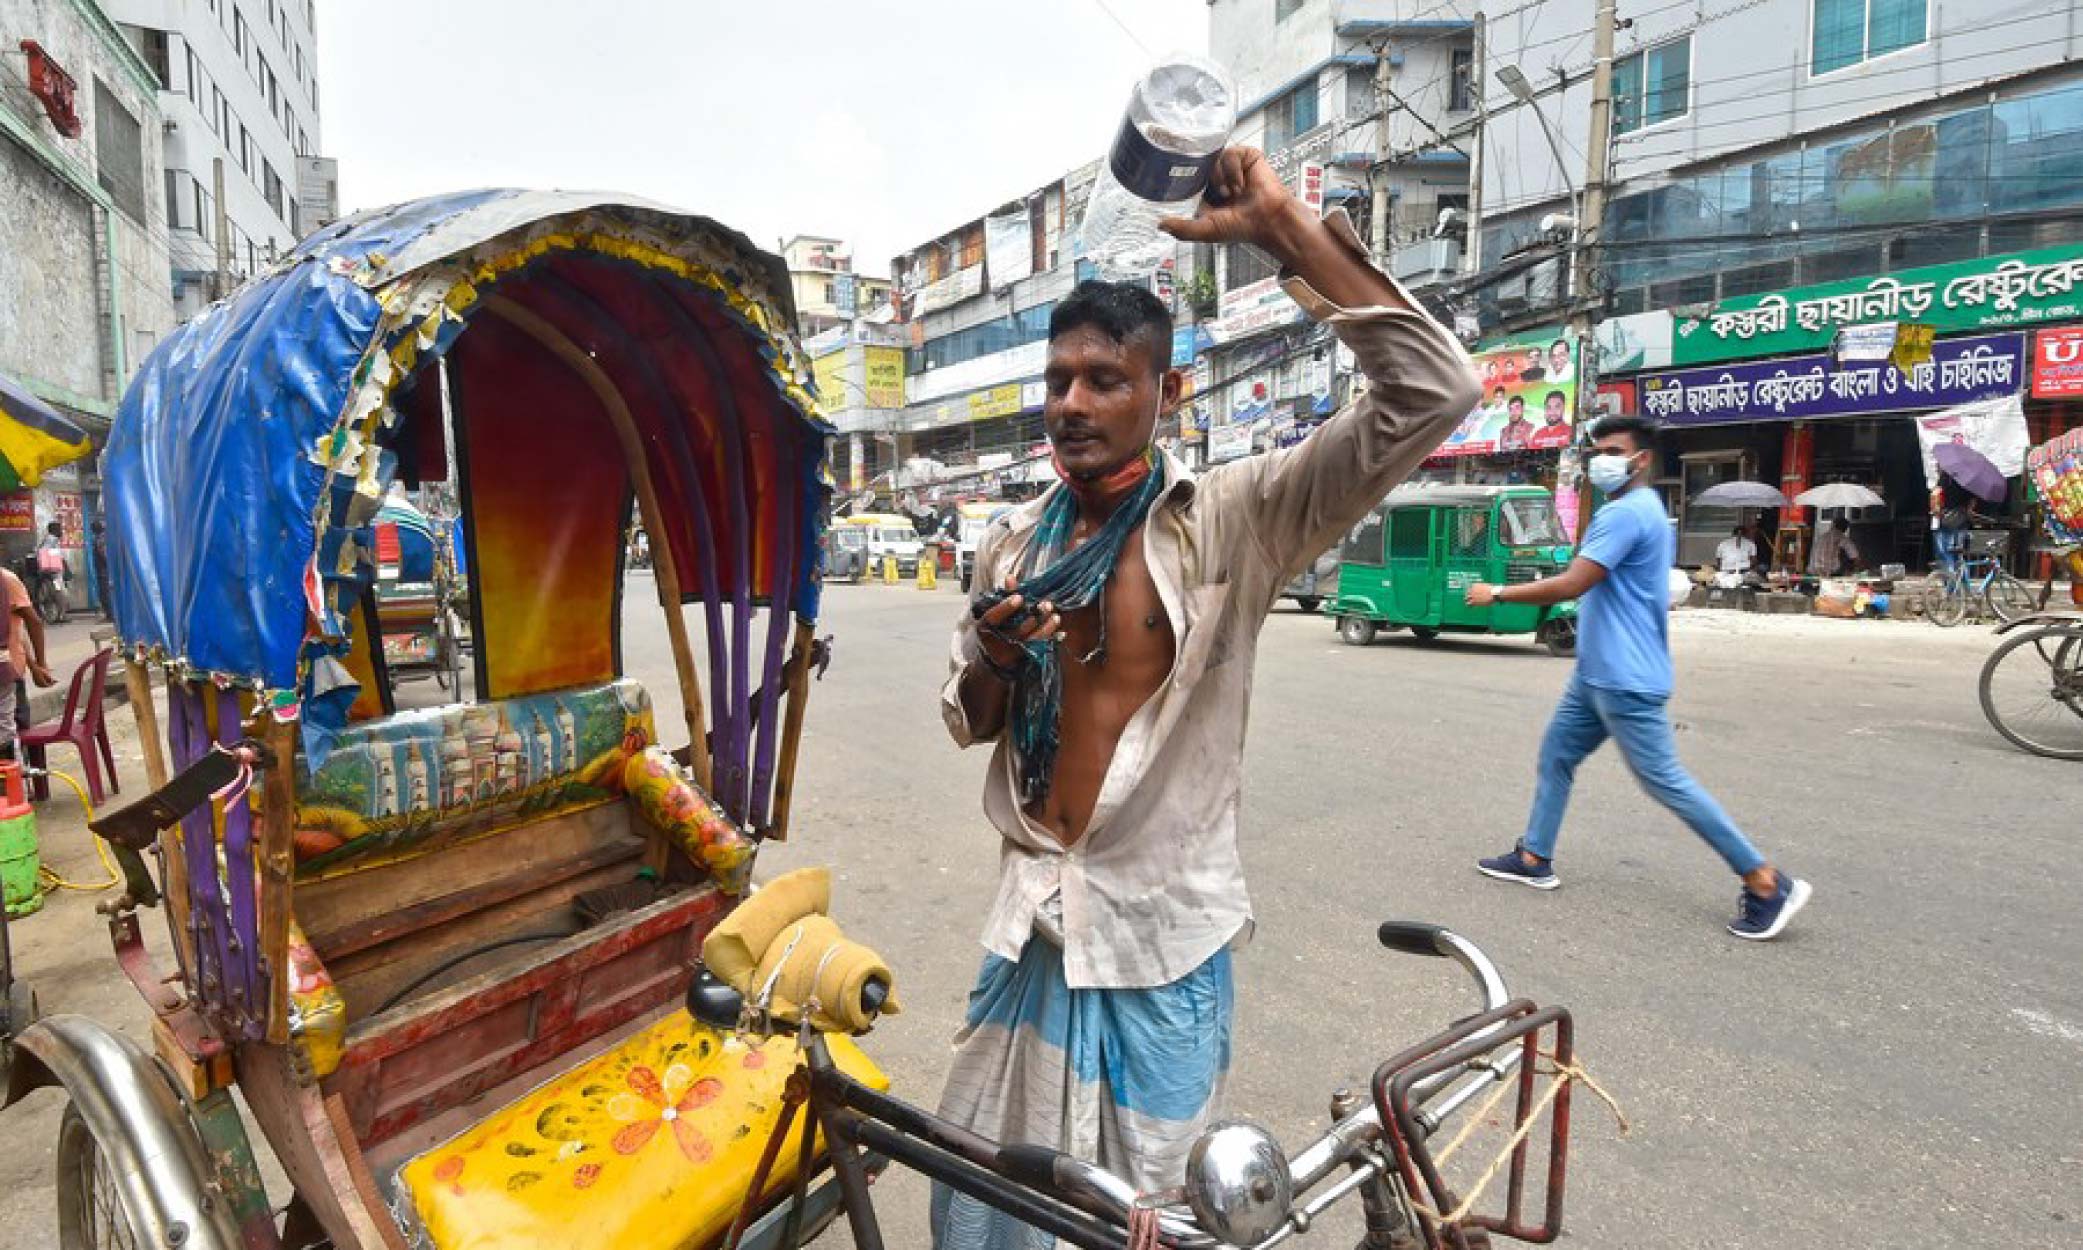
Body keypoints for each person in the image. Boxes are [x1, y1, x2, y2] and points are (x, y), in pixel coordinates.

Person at [935, 146, 1478, 1247]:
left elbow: (1437, 390)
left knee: (1167, 1221)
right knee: (991, 1199)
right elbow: (968, 718)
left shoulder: (1236, 520)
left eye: (1105, 378)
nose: (1072, 403)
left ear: (1166, 389)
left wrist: (1284, 228)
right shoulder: (1008, 547)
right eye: (1058, 380)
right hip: (1034, 924)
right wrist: (994, 656)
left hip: (1160, 941)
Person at [1462, 414, 1811, 941]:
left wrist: (1500, 593)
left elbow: (1576, 582)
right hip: (1596, 675)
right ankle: (1535, 856)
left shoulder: (1626, 513)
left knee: (1666, 782)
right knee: (1557, 755)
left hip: (1624, 679)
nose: (1599, 458)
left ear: (1640, 459)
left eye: (1611, 449)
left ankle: (1764, 880)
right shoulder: (1639, 509)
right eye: (1595, 449)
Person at [0, 566, 56, 758]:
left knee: (13, 735)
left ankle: (21, 782)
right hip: (8, 669)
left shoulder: (6, 580)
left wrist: (38, 665)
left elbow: (30, 623)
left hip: (10, 671)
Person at [90, 519, 112, 619]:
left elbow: (104, 555)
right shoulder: (102, 538)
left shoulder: (101, 539)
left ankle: (110, 615)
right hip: (103, 570)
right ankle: (110, 614)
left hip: (104, 571)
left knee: (105, 593)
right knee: (105, 592)